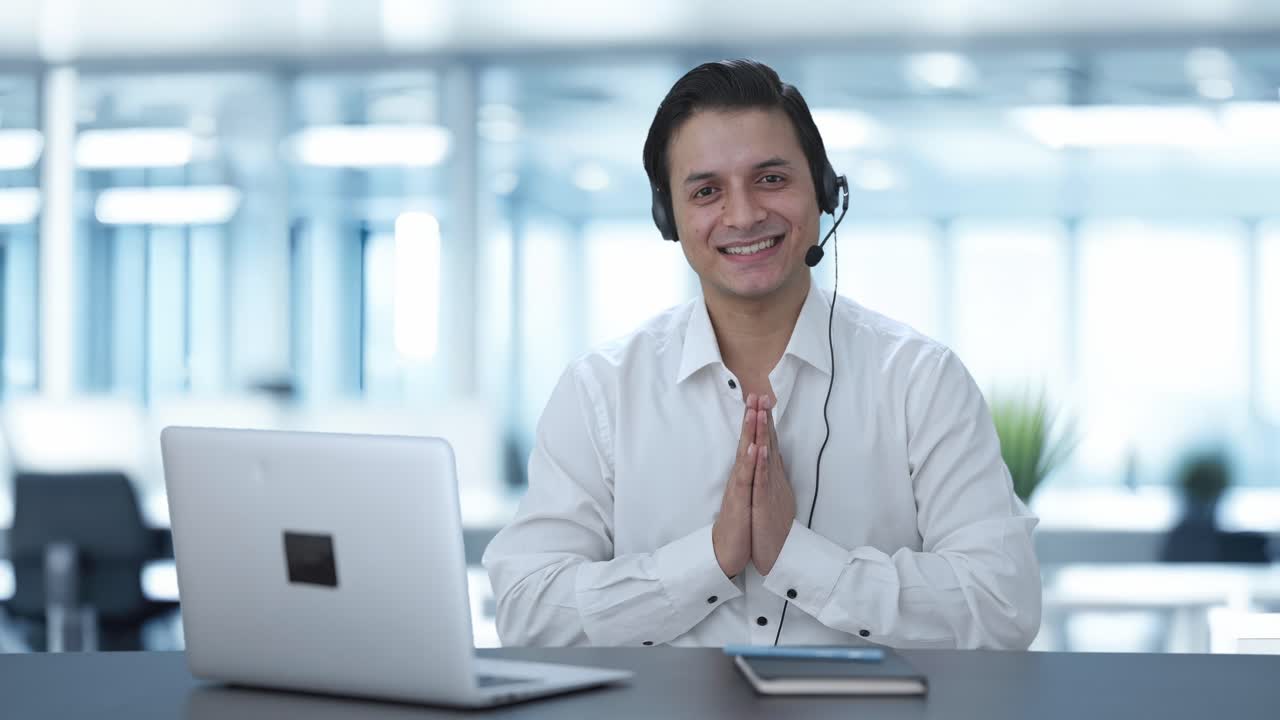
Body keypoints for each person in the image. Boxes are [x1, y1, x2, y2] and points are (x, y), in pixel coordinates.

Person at [483, 59, 1041, 649]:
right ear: (668, 217)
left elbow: (1003, 604)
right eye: (706, 191)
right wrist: (710, 559)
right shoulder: (600, 391)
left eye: (771, 179)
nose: (745, 214)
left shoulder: (921, 380)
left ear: (823, 191)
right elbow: (528, 612)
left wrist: (798, 559)